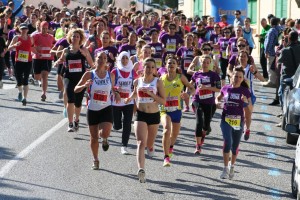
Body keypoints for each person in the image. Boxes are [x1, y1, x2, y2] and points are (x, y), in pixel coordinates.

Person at [74, 50, 121, 170]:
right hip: (93, 109)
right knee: (94, 137)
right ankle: (95, 159)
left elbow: (112, 89)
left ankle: (105, 138)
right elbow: (76, 89)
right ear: (96, 59)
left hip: (106, 108)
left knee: (104, 132)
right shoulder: (89, 74)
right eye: (99, 58)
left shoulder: (110, 75)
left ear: (107, 61)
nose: (101, 60)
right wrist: (84, 86)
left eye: (104, 58)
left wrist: (116, 93)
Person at [124, 58, 166, 183]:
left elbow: (163, 101)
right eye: (147, 66)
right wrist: (128, 99)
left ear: (154, 69)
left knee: (149, 144)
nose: (149, 69)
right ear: (143, 68)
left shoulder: (158, 82)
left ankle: (151, 147)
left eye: (152, 67)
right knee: (140, 143)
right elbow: (135, 94)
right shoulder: (137, 81)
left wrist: (152, 94)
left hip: (153, 115)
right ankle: (141, 169)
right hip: (140, 115)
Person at [54, 28, 94, 132]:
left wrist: (93, 71)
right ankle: (70, 123)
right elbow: (62, 59)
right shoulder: (66, 50)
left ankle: (77, 120)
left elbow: (91, 64)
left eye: (77, 36)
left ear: (80, 38)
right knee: (70, 99)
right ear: (70, 38)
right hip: (69, 77)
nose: (75, 38)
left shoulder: (83, 50)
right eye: (73, 36)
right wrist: (57, 62)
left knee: (78, 102)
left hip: (81, 78)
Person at [215, 67, 252, 180]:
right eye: (235, 76)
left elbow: (249, 108)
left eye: (240, 77)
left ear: (242, 79)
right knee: (227, 142)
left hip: (238, 121)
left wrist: (246, 102)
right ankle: (225, 168)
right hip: (225, 120)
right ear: (231, 77)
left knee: (235, 146)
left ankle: (232, 166)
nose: (237, 78)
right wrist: (217, 103)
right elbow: (218, 98)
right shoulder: (225, 88)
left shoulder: (245, 91)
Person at [160, 54, 195, 166]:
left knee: (174, 135)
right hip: (164, 110)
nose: (171, 65)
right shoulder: (161, 79)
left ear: (176, 65)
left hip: (177, 110)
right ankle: (166, 157)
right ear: (165, 65)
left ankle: (170, 147)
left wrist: (187, 94)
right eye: (169, 63)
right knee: (166, 129)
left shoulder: (181, 78)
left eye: (173, 63)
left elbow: (192, 88)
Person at [190, 55, 221, 154]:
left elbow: (218, 89)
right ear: (200, 63)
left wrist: (206, 88)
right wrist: (187, 93)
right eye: (203, 62)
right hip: (197, 100)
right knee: (199, 122)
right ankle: (198, 146)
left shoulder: (214, 75)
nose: (205, 64)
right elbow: (191, 85)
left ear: (210, 63)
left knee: (206, 126)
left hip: (209, 102)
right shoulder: (196, 74)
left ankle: (203, 134)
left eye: (208, 62)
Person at [111, 51, 137, 155]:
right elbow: (111, 85)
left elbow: (136, 85)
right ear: (119, 59)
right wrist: (117, 89)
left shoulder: (132, 72)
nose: (125, 60)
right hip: (116, 102)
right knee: (117, 126)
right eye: (123, 58)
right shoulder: (115, 71)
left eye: (127, 58)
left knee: (127, 123)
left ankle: (124, 145)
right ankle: (116, 124)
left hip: (128, 101)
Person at [7, 23, 34, 105]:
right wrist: (15, 45)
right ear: (19, 29)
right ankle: (19, 91)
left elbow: (32, 47)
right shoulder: (16, 37)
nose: (24, 30)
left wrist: (37, 52)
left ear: (28, 30)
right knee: (19, 80)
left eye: (25, 29)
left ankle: (24, 98)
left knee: (25, 80)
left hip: (28, 61)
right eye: (22, 29)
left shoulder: (31, 38)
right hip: (18, 61)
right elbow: (8, 48)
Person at [32, 21, 55, 101]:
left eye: (46, 29)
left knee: (45, 76)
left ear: (48, 29)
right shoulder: (36, 36)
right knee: (37, 76)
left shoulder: (51, 37)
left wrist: (53, 50)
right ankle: (38, 80)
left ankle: (44, 93)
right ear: (40, 28)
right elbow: (30, 46)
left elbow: (56, 45)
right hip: (37, 58)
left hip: (47, 59)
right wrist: (36, 50)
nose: (45, 30)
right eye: (43, 28)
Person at [262, 17, 281, 88]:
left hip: (271, 52)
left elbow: (269, 42)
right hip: (276, 51)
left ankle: (271, 82)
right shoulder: (279, 29)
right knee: (274, 67)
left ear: (270, 22)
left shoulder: (272, 31)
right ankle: (274, 81)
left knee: (270, 67)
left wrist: (266, 51)